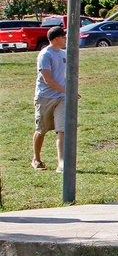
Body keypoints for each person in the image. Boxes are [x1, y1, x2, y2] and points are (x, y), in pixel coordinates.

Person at [32, 26, 69, 172]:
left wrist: (67, 91)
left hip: (61, 97)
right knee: (41, 129)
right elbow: (47, 79)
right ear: (56, 39)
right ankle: (36, 159)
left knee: (62, 129)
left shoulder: (63, 54)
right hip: (45, 98)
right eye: (63, 37)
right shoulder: (45, 55)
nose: (66, 39)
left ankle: (61, 163)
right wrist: (68, 91)